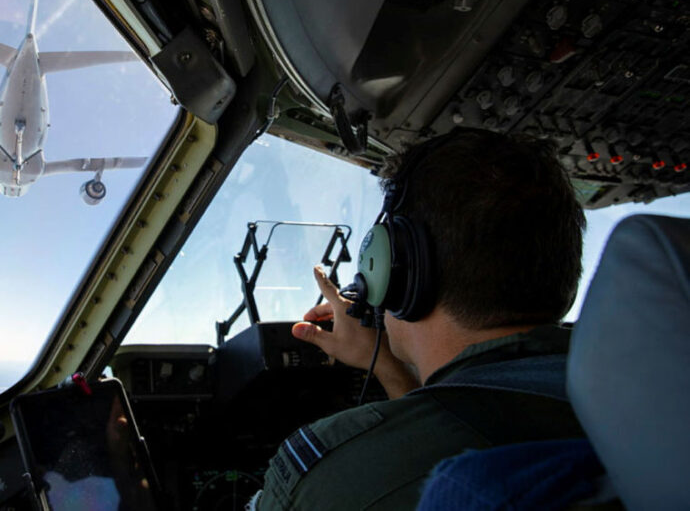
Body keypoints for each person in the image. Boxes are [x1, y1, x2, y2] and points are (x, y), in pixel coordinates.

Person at [251, 128, 587, 510]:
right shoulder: (642, 397)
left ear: (398, 274)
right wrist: (388, 367)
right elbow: (455, 419)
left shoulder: (331, 470)